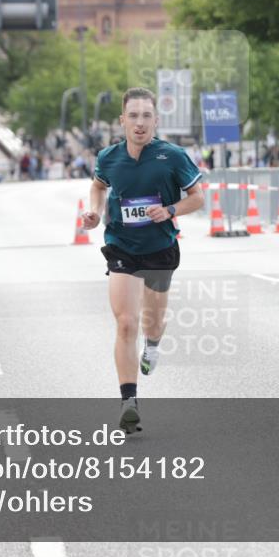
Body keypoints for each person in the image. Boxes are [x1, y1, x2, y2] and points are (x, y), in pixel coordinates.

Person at [81, 87, 205, 433]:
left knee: (151, 322)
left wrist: (169, 210)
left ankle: (152, 345)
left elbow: (197, 198)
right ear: (122, 120)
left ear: (156, 120)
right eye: (133, 116)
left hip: (160, 248)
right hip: (121, 245)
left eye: (146, 116)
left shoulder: (173, 156)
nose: (139, 123)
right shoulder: (109, 157)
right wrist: (94, 212)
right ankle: (128, 402)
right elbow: (98, 186)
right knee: (125, 322)